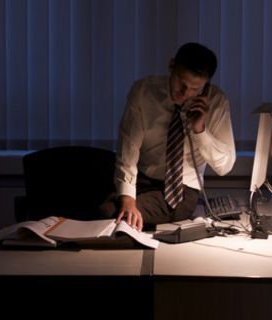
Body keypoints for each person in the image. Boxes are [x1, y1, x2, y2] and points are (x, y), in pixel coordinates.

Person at [100, 42, 236, 231]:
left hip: (179, 192)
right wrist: (127, 198)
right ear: (172, 66)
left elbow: (225, 166)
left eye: (195, 89)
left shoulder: (217, 102)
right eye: (182, 82)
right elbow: (128, 149)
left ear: (205, 86)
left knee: (112, 214)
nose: (184, 93)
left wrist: (200, 130)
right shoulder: (143, 91)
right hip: (141, 176)